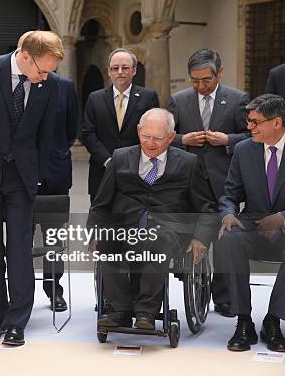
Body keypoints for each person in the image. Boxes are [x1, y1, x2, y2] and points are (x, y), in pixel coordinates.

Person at [0, 30, 63, 346]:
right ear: (24, 56)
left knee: (20, 252)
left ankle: (17, 320)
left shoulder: (48, 83)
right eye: (41, 69)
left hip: (23, 179)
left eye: (49, 71)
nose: (45, 76)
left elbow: (47, 134)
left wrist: (40, 176)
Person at [89, 109, 216, 330]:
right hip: (125, 226)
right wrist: (94, 232)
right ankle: (119, 309)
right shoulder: (120, 158)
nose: (151, 143)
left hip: (168, 231)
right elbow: (101, 204)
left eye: (158, 138)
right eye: (146, 136)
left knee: (158, 237)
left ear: (171, 136)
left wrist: (200, 238)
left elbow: (207, 206)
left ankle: (146, 312)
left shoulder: (188, 163)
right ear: (138, 131)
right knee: (107, 238)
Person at [167, 48, 250, 318]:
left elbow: (251, 138)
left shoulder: (238, 100)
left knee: (224, 239)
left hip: (224, 182)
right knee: (193, 235)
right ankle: (194, 286)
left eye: (206, 80)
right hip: (188, 184)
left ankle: (224, 296)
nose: (201, 86)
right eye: (195, 81)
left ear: (219, 73)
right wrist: (182, 140)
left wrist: (228, 140)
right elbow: (163, 137)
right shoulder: (178, 101)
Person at [215, 94, 285, 352]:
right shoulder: (244, 150)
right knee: (228, 238)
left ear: (276, 122)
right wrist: (228, 213)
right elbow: (229, 193)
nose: (249, 127)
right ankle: (243, 321)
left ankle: (273, 321)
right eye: (248, 121)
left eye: (256, 122)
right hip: (253, 227)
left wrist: (282, 218)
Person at [17, 30, 78, 312]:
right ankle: (21, 293)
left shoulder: (64, 87)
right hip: (19, 177)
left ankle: (54, 289)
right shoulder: (15, 86)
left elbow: (70, 131)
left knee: (54, 238)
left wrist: (54, 156)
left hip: (54, 176)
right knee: (21, 239)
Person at [82, 48, 159, 202]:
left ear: (134, 70)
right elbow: (88, 133)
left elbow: (153, 132)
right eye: (115, 68)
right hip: (101, 172)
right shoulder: (95, 98)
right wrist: (108, 160)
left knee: (133, 221)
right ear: (109, 72)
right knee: (102, 222)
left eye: (125, 68)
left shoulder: (148, 97)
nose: (120, 72)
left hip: (137, 172)